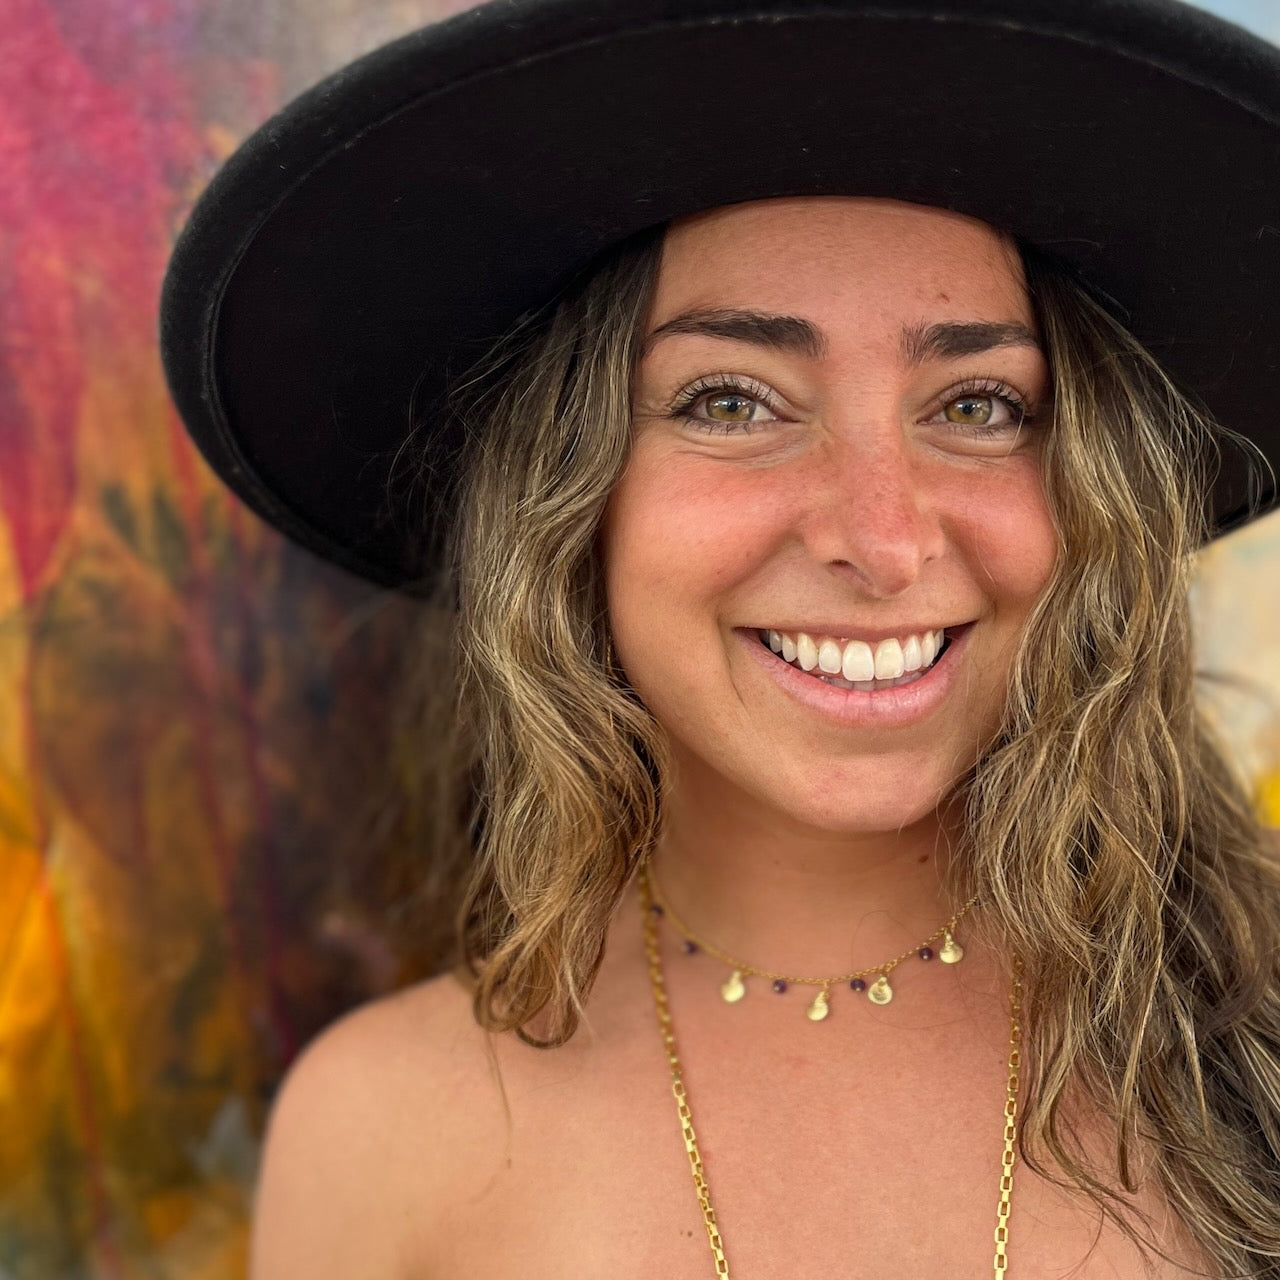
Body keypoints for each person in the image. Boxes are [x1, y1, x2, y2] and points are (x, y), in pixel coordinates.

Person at [159, 0, 1280, 1275]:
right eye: (732, 401)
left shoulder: (1255, 1046)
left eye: (976, 404)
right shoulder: (380, 1132)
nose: (880, 539)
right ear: (561, 494)